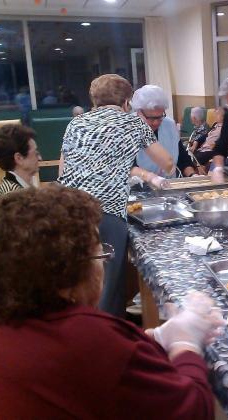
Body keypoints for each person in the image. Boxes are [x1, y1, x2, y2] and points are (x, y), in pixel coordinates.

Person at [0, 185, 224, 419]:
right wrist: (186, 344)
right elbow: (193, 409)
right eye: (101, 255)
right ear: (72, 271)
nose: (104, 264)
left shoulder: (3, 319)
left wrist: (154, 340)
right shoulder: (87, 338)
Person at [59, 74, 174, 317]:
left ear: (94, 100)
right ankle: (108, 334)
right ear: (127, 102)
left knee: (76, 283)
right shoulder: (133, 123)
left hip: (70, 213)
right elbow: (167, 162)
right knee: (108, 288)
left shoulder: (75, 124)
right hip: (107, 213)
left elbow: (63, 171)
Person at [131, 84, 197, 180]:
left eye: (160, 117)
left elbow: (182, 158)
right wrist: (151, 178)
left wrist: (192, 176)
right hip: (139, 185)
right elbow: (128, 167)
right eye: (151, 118)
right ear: (139, 112)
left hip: (168, 184)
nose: (156, 123)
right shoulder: (128, 128)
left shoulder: (169, 125)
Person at [0, 124, 40, 200]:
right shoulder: (16, 200)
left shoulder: (14, 188)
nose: (40, 158)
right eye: (35, 153)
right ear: (19, 159)